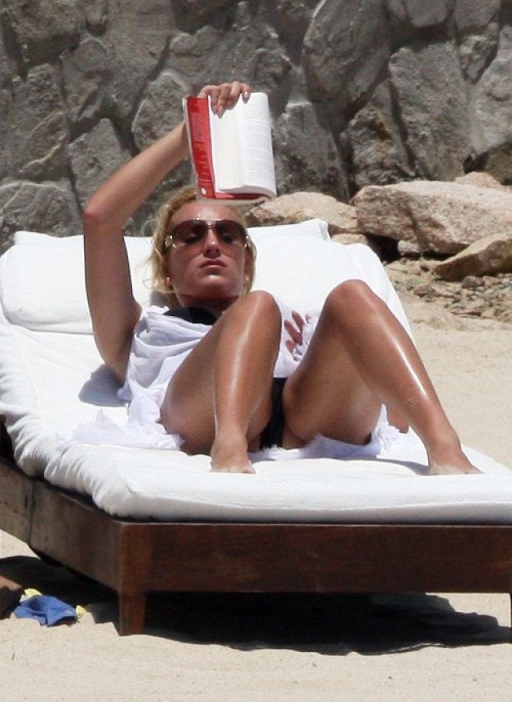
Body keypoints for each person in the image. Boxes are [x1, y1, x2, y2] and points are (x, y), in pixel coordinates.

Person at [83, 81, 478, 476]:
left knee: (353, 296)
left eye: (228, 234)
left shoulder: (291, 319)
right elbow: (100, 219)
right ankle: (230, 446)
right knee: (258, 307)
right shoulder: (140, 335)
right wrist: (191, 134)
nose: (212, 244)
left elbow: (368, 371)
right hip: (200, 418)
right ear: (166, 268)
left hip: (306, 415)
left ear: (246, 263)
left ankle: (445, 447)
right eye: (191, 235)